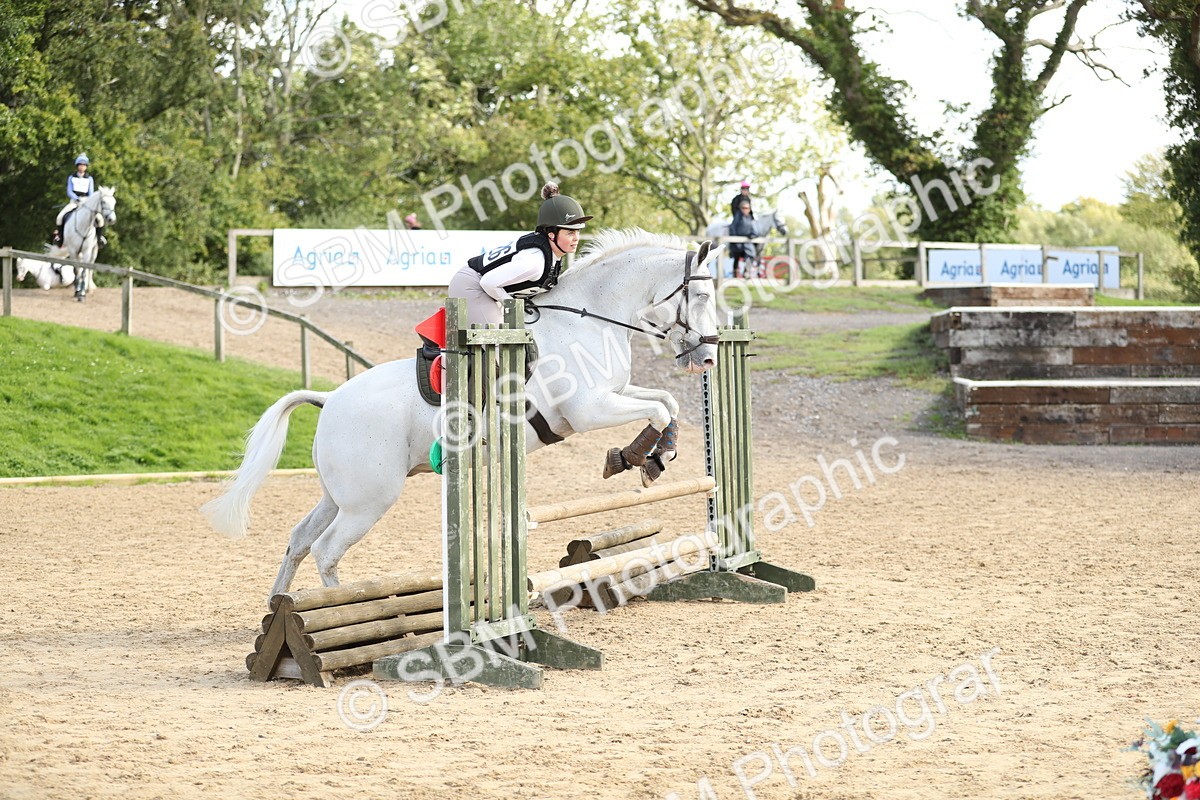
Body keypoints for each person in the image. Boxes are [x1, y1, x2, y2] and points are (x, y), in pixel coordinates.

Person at [447, 183, 591, 326]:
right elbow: (487, 282)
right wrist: (513, 306)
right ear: (552, 235)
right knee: (499, 343)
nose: (576, 238)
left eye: (578, 232)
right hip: (472, 286)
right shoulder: (535, 262)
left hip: (487, 289)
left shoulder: (552, 257)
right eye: (570, 232)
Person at [54, 154, 106, 247]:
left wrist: (86, 201)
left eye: (84, 165)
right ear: (77, 166)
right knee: (59, 217)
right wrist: (77, 199)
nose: (82, 167)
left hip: (86, 202)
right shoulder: (72, 177)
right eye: (80, 165)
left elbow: (91, 193)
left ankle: (99, 238)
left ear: (86, 167)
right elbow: (69, 191)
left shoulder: (89, 179)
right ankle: (60, 238)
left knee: (100, 219)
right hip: (74, 202)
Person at [729, 198, 757, 278]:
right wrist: (736, 239)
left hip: (747, 243)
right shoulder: (737, 217)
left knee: (750, 256)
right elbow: (732, 228)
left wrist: (752, 235)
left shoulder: (751, 218)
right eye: (744, 208)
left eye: (747, 208)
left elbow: (754, 230)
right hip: (737, 243)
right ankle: (735, 275)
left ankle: (746, 272)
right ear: (741, 208)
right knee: (736, 258)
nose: (746, 210)